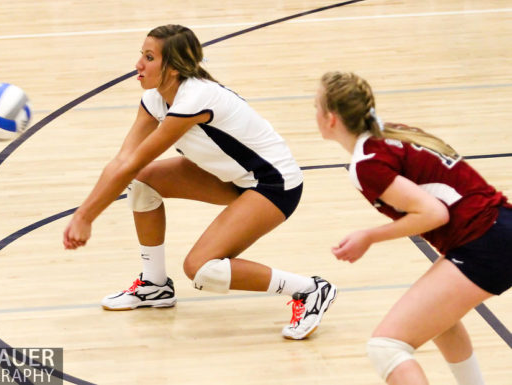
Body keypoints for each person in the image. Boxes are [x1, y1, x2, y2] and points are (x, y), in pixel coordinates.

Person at [63, 24, 336, 340]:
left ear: (174, 68)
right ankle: (154, 286)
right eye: (141, 54)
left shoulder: (194, 99)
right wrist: (83, 214)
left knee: (202, 269)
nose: (139, 64)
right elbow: (123, 162)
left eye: (149, 57)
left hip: (274, 185)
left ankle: (309, 289)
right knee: (142, 183)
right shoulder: (155, 99)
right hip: (232, 178)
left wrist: (85, 217)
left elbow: (132, 160)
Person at [314, 71, 512, 384]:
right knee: (441, 323)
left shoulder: (367, 164)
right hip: (499, 227)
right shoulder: (395, 134)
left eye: (317, 107)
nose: (315, 115)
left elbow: (434, 214)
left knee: (386, 347)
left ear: (332, 118)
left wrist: (369, 236)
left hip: (484, 243)